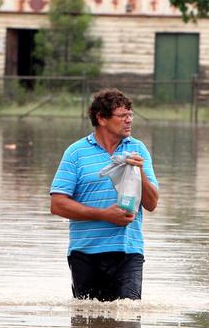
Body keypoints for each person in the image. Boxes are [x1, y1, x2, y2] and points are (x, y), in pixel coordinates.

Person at [50, 88, 159, 301]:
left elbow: (152, 203)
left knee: (128, 318)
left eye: (130, 115)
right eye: (122, 116)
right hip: (85, 253)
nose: (129, 120)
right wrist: (103, 214)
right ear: (101, 118)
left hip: (128, 251)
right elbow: (57, 205)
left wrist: (140, 172)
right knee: (86, 324)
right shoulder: (76, 152)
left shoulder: (138, 149)